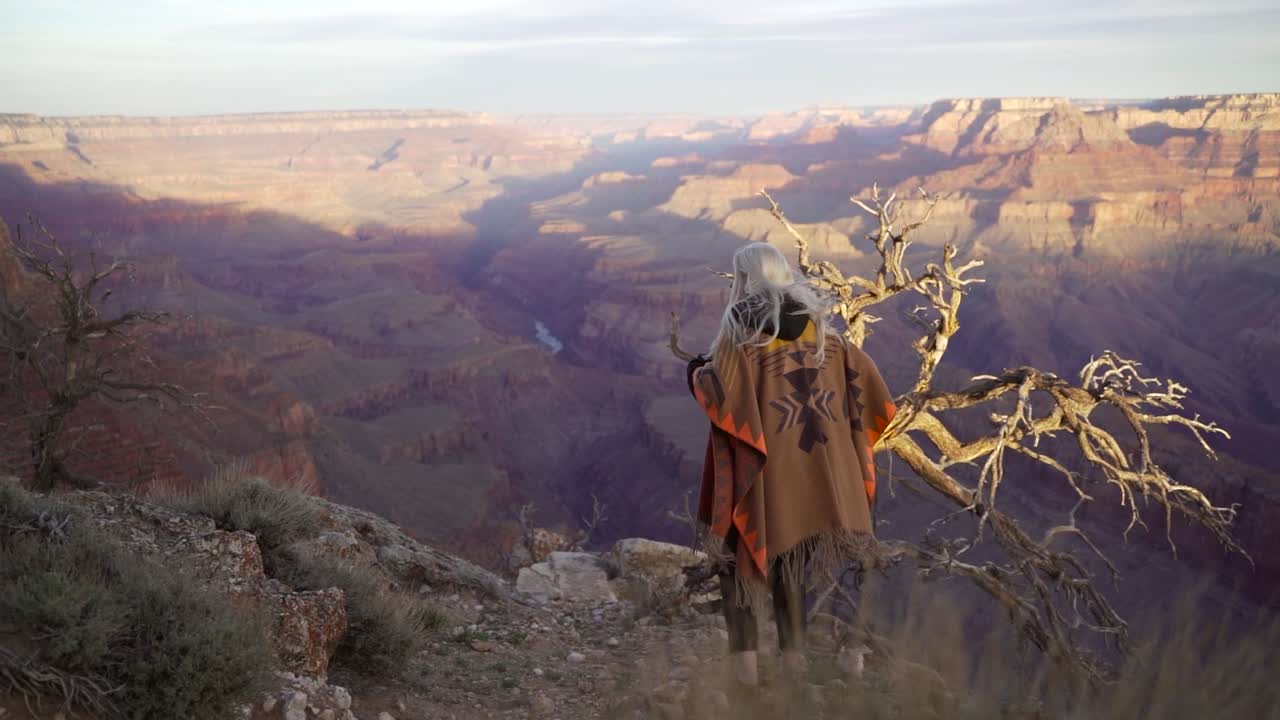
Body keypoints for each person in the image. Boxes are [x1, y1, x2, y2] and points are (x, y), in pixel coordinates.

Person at [685, 242, 896, 690]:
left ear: (745, 278)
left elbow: (717, 390)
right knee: (792, 562)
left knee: (739, 561)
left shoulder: (743, 330)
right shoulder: (825, 336)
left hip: (763, 473)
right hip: (815, 468)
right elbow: (874, 395)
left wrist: (693, 372)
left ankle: (745, 678)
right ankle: (794, 667)